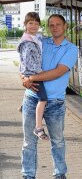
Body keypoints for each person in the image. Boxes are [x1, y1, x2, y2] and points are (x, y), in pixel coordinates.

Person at [21, 14, 78, 179]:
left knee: (58, 142)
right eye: (51, 25)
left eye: (58, 24)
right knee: (29, 142)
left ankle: (60, 175)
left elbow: (58, 72)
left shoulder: (71, 49)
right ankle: (28, 175)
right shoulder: (40, 42)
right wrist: (24, 79)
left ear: (65, 26)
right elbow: (24, 62)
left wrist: (32, 78)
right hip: (32, 98)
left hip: (55, 102)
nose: (54, 27)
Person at [17, 12, 49, 141]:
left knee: (39, 96)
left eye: (36, 23)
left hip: (34, 74)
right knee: (43, 99)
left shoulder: (36, 38)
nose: (34, 26)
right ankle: (38, 128)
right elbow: (26, 62)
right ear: (25, 24)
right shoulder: (27, 42)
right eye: (30, 23)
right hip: (33, 75)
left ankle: (24, 106)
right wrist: (40, 73)